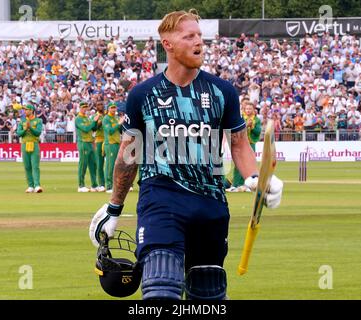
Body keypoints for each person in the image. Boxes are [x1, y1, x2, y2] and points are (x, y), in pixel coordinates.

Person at [89, 9, 283, 300]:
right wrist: (114, 207)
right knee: (161, 290)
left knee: (209, 296)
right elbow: (129, 156)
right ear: (167, 44)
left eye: (200, 36)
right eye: (188, 36)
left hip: (211, 204)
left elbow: (239, 144)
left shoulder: (223, 92)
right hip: (161, 200)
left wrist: (256, 177)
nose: (198, 42)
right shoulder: (143, 94)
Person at [227, 101, 261, 192]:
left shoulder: (257, 120)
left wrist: (252, 126)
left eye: (250, 109)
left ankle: (248, 185)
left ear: (253, 110)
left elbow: (258, 132)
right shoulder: (241, 118)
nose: (248, 110)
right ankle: (235, 184)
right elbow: (237, 129)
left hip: (251, 144)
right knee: (238, 165)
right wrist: (246, 125)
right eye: (247, 109)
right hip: (240, 143)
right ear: (244, 110)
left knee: (250, 164)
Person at [16, 104, 43, 193]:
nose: (25, 111)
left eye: (27, 110)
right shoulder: (22, 121)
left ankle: (37, 185)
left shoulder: (38, 120)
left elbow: (38, 133)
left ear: (31, 110)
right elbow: (19, 133)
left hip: (34, 144)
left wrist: (30, 128)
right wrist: (25, 129)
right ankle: (30, 186)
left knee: (35, 166)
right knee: (27, 166)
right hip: (24, 145)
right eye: (24, 110)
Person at [75, 102, 99, 192]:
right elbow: (85, 129)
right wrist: (93, 121)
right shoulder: (78, 119)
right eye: (83, 107)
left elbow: (94, 129)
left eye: (86, 107)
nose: (85, 109)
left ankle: (94, 185)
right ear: (80, 108)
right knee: (83, 164)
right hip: (83, 143)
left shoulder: (87, 118)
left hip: (90, 143)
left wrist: (96, 122)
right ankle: (81, 186)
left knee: (93, 164)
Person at [102, 102, 124, 193]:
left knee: (116, 165)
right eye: (112, 108)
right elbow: (110, 131)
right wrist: (119, 123)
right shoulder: (106, 119)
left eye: (115, 108)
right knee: (110, 165)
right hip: (110, 144)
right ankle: (109, 185)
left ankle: (114, 185)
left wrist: (122, 124)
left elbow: (119, 131)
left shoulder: (115, 118)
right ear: (108, 109)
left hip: (116, 143)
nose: (114, 109)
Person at [93, 101, 107, 192]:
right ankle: (101, 184)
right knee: (100, 163)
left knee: (111, 163)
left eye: (101, 104)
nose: (100, 106)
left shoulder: (108, 114)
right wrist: (98, 123)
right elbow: (93, 128)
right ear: (96, 107)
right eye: (98, 104)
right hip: (99, 140)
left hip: (109, 140)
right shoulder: (95, 116)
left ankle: (111, 184)